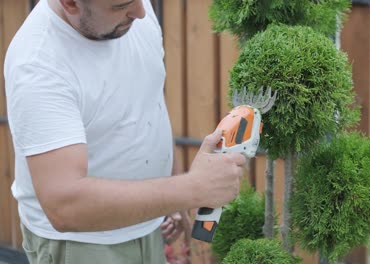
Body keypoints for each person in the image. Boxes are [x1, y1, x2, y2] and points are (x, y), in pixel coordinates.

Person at [4, 0, 247, 263]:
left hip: (150, 227)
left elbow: (148, 101)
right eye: (120, 6)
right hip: (83, 245)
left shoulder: (132, 10)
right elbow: (65, 206)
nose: (141, 12)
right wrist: (191, 188)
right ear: (71, 3)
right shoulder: (38, 64)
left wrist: (174, 200)